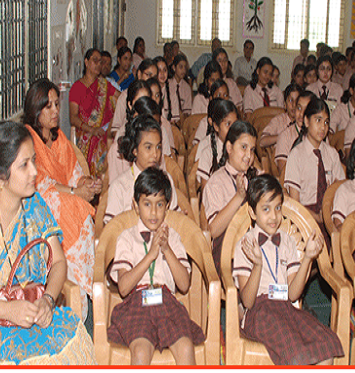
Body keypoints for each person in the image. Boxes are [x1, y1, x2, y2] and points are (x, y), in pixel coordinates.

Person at [0, 121, 96, 365]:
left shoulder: (34, 204)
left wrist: (48, 300)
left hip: (33, 312)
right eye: (24, 165)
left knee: (71, 341)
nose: (35, 171)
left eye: (34, 160)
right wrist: (7, 310)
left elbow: (58, 261)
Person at [232, 174, 344, 365]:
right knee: (297, 355)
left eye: (277, 208)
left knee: (326, 348)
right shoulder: (246, 244)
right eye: (266, 209)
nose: (274, 216)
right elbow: (248, 302)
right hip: (260, 313)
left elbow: (292, 294)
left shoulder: (287, 241)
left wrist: (308, 258)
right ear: (252, 212)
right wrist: (258, 265)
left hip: (285, 307)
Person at [107, 167, 205, 365]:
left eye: (159, 204)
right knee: (141, 351)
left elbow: (184, 285)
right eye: (147, 204)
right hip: (137, 303)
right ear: (135, 205)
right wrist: (151, 255)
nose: (153, 212)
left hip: (166, 301)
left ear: (167, 206)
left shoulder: (173, 237)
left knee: (186, 348)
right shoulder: (127, 238)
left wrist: (166, 249)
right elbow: (124, 288)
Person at [23, 79, 100, 321]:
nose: (56, 111)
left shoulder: (59, 138)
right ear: (36, 109)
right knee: (73, 205)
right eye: (48, 106)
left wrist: (87, 184)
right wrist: (75, 193)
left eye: (57, 104)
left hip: (64, 199)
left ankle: (83, 293)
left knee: (78, 206)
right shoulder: (28, 139)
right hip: (40, 205)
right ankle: (80, 292)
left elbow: (75, 174)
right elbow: (40, 184)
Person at [284, 98, 345, 245]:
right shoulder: (296, 155)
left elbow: (340, 190)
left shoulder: (332, 154)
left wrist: (329, 214)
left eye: (326, 122)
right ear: (306, 121)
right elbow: (295, 202)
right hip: (305, 216)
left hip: (330, 214)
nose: (323, 127)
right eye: (318, 120)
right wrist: (317, 217)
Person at [203, 121, 258, 270]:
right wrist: (239, 197)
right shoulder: (216, 182)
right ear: (229, 148)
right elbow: (213, 230)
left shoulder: (255, 176)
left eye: (252, 150)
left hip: (256, 247)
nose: (249, 155)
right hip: (227, 255)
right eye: (244, 147)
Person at [105, 115, 179, 225]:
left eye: (158, 147)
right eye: (148, 147)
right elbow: (111, 230)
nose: (155, 154)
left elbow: (175, 221)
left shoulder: (166, 180)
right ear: (135, 150)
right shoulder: (120, 187)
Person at [69, 48, 118, 176]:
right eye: (95, 60)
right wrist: (92, 129)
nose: (98, 64)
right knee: (102, 152)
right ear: (86, 62)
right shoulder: (77, 88)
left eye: (100, 61)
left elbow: (121, 98)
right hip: (85, 134)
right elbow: (73, 118)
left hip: (104, 132)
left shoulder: (104, 85)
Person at [195, 99, 239, 187]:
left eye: (235, 124)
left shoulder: (243, 149)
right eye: (228, 124)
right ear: (216, 126)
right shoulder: (207, 153)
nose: (232, 129)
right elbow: (205, 191)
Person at [110, 60, 159, 135]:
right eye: (149, 75)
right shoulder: (126, 95)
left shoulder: (155, 96)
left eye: (154, 77)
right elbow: (115, 130)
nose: (151, 80)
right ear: (139, 74)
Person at [275, 91, 315, 175]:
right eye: (299, 108)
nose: (301, 114)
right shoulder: (285, 136)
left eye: (306, 109)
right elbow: (284, 173)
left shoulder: (318, 135)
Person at [259, 83, 302, 148]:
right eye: (291, 100)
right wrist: (283, 137)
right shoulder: (278, 120)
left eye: (297, 101)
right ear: (285, 104)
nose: (294, 105)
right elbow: (262, 142)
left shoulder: (305, 121)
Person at [191, 79, 232, 147]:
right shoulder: (205, 122)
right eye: (218, 95)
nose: (222, 99)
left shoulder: (233, 120)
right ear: (211, 98)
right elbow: (196, 147)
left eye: (225, 95)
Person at [307, 55, 344, 123]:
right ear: (317, 71)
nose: (325, 72)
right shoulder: (310, 89)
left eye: (328, 69)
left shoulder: (338, 89)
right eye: (322, 69)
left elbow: (341, 113)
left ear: (332, 71)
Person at [168, 54, 192, 118]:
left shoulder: (187, 87)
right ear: (174, 68)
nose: (183, 70)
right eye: (181, 67)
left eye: (185, 67)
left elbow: (188, 111)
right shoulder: (167, 85)